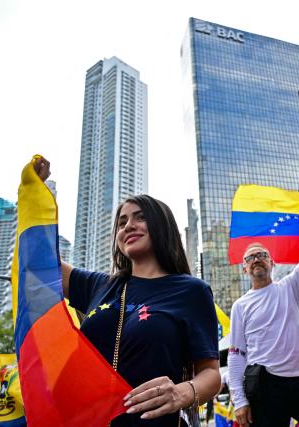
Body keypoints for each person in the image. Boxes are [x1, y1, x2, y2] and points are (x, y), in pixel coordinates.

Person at [35, 157, 221, 426]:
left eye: (140, 218)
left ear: (162, 226)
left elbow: (211, 374)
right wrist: (36, 199)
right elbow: (41, 263)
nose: (128, 226)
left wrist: (182, 393)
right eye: (122, 223)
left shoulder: (192, 291)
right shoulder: (100, 286)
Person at [227, 197, 299, 427]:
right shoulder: (240, 305)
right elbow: (236, 354)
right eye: (251, 258)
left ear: (272, 263)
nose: (257, 259)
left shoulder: (288, 287)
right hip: (265, 386)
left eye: (262, 255)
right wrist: (239, 400)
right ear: (245, 267)